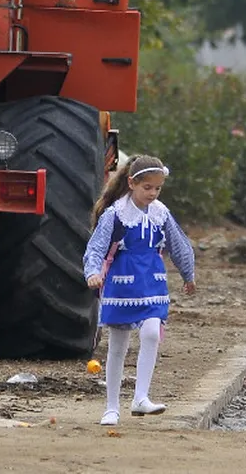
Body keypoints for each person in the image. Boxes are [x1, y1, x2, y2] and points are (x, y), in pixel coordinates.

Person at [82, 154, 196, 427]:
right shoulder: (115, 214)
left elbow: (178, 244)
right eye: (148, 188)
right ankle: (111, 407)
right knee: (118, 346)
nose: (153, 194)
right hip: (122, 284)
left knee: (151, 332)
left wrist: (188, 274)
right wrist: (93, 273)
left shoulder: (160, 213)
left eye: (158, 188)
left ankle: (141, 397)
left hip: (153, 284)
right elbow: (96, 246)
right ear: (132, 183)